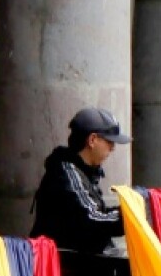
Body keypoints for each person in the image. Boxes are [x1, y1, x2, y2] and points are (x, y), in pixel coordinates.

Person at [30, 107, 131, 254]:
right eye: (110, 142)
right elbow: (92, 218)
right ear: (92, 140)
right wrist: (135, 215)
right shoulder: (66, 172)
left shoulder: (82, 171)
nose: (113, 148)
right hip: (62, 268)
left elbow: (97, 213)